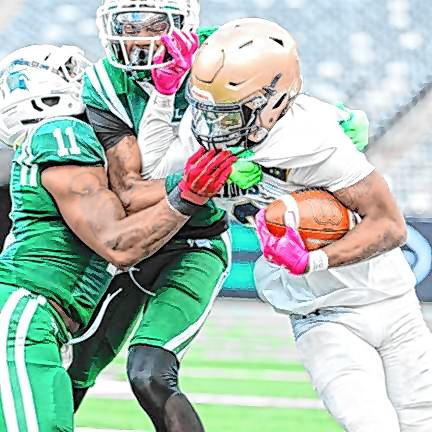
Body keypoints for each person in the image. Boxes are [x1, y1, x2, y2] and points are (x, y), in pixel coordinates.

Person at [184, 18, 432, 431]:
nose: (213, 127)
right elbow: (149, 178)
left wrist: (313, 260)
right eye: (209, 112)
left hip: (391, 301)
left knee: (421, 420)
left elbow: (391, 226)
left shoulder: (314, 139)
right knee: (370, 424)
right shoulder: (200, 138)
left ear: (275, 102)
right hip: (321, 313)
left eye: (229, 115)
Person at [0, 43, 235, 431]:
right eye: (73, 76)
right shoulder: (63, 134)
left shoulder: (57, 144)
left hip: (44, 321)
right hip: (25, 316)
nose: (87, 84)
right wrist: (188, 192)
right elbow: (118, 244)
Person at [68, 2, 234, 431]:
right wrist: (198, 185)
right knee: (71, 368)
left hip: (195, 242)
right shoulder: (104, 82)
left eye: (152, 23)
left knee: (150, 373)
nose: (138, 35)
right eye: (128, 23)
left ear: (184, 22)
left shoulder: (226, 53)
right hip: (133, 236)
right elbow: (130, 189)